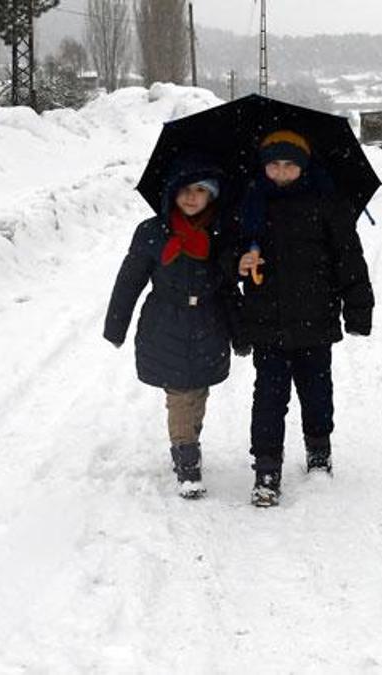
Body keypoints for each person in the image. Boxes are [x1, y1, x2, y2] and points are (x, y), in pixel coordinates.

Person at [234, 130, 375, 508]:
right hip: (267, 321)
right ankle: (266, 469)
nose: (281, 173)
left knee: (316, 391)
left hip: (316, 320)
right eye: (274, 165)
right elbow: (225, 255)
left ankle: (318, 450)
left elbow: (350, 259)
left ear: (304, 166)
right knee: (268, 397)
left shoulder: (328, 203)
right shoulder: (249, 203)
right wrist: (238, 261)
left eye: (290, 165)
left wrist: (358, 310)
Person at [103, 154, 238, 499]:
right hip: (165, 323)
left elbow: (228, 286)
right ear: (171, 194)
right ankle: (187, 462)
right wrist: (116, 326)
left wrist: (241, 332)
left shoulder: (221, 232)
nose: (191, 197)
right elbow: (129, 280)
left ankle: (188, 440)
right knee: (180, 393)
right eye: (183, 190)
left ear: (212, 195)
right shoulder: (152, 232)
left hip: (209, 322)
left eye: (199, 190)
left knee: (199, 391)